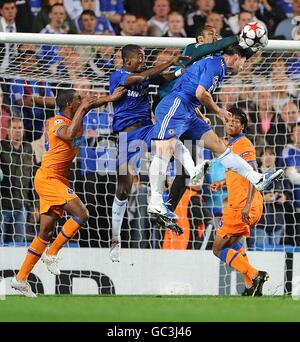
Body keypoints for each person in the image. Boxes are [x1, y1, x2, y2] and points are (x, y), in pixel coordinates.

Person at [11, 86, 126, 297]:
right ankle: (52, 253)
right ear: (68, 104)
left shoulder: (77, 114)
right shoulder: (56, 122)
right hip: (48, 178)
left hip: (59, 179)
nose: (82, 101)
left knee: (45, 232)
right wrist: (84, 108)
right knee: (82, 213)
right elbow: (70, 133)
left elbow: (92, 104)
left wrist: (113, 97)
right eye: (78, 99)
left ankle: (21, 278)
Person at [147, 45, 284, 223]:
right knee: (165, 150)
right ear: (236, 56)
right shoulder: (215, 65)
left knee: (219, 145)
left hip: (189, 111)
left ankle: (255, 178)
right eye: (244, 60)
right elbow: (200, 93)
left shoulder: (220, 68)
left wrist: (202, 115)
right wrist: (219, 112)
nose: (244, 65)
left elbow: (195, 91)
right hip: (174, 106)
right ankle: (155, 201)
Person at [109, 44, 196, 262]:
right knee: (123, 189)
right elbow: (138, 79)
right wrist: (168, 61)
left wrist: (180, 72)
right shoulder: (118, 75)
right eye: (139, 58)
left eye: (144, 57)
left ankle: (193, 170)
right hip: (127, 137)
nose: (142, 61)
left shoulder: (145, 75)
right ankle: (115, 239)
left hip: (147, 128)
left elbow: (163, 78)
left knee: (168, 140)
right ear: (127, 61)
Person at [210, 107, 268, 296]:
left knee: (218, 249)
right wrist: (221, 183)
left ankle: (255, 274)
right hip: (245, 204)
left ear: (242, 126)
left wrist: (248, 204)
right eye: (229, 120)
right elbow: (239, 176)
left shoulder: (243, 144)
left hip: (241, 206)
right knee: (233, 245)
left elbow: (253, 174)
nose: (231, 123)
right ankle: (252, 286)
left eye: (236, 121)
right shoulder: (231, 145)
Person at [0, 117, 35, 244]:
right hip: (2, 206)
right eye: (14, 128)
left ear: (24, 130)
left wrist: (33, 206)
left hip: (21, 207)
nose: (17, 131)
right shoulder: (1, 147)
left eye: (19, 128)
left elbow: (32, 178)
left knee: (17, 245)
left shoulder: (28, 149)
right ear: (8, 130)